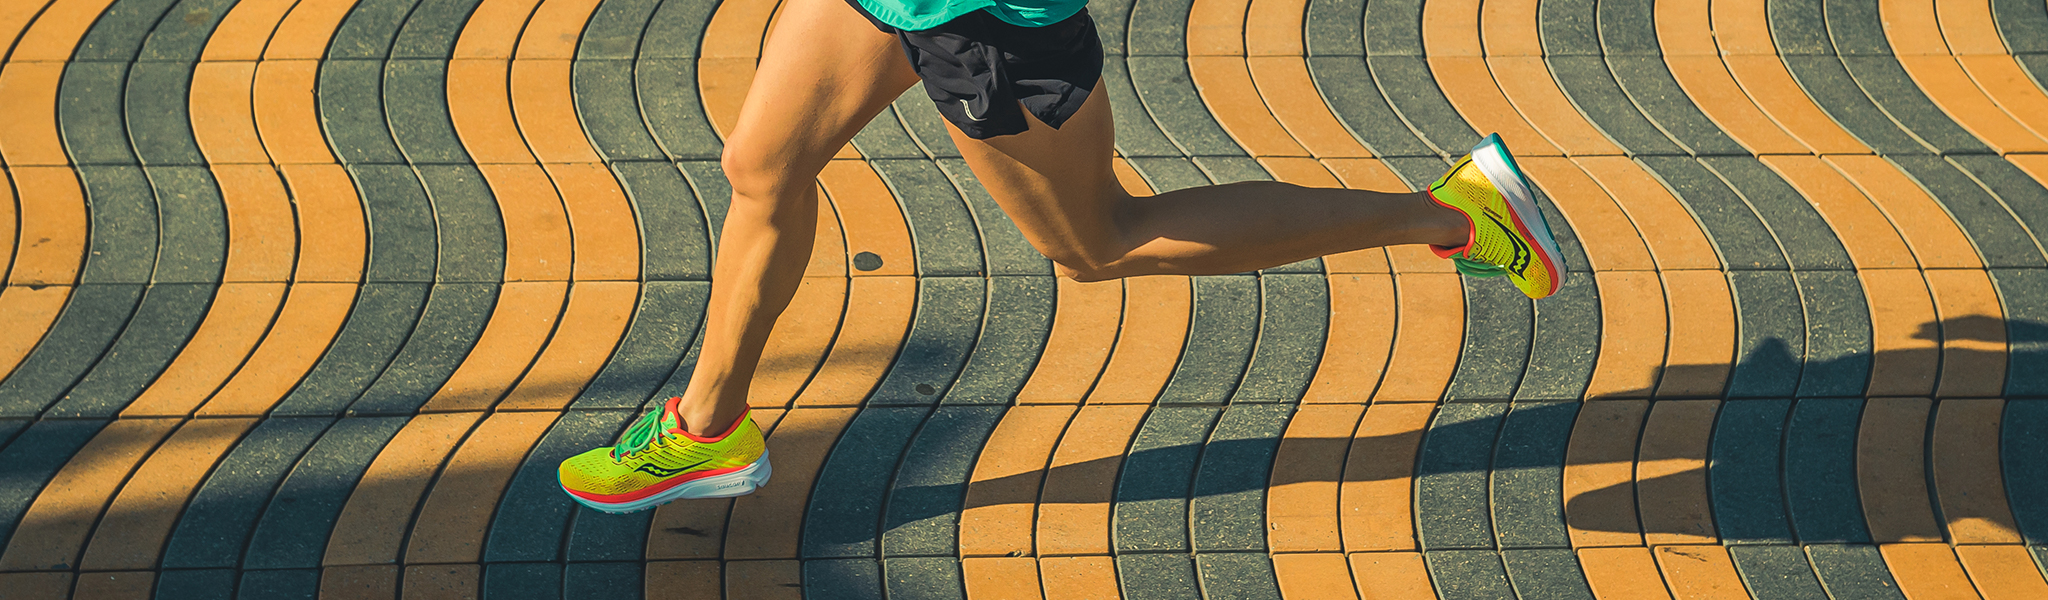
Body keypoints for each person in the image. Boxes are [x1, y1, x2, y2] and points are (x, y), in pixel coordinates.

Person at [557, 0, 1566, 513]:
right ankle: (709, 428)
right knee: (764, 163)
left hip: (987, 23)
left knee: (1099, 242)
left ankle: (1450, 215)